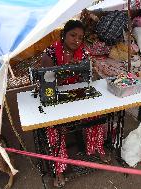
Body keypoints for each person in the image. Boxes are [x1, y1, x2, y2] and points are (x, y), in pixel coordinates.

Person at [40, 20, 110, 187]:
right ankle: (59, 167)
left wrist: (86, 70)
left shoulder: (83, 53)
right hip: (56, 96)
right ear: (64, 34)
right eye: (72, 35)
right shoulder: (50, 53)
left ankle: (96, 148)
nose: (76, 40)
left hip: (75, 95)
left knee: (97, 114)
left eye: (80, 37)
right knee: (53, 125)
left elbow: (88, 79)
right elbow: (47, 81)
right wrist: (65, 70)